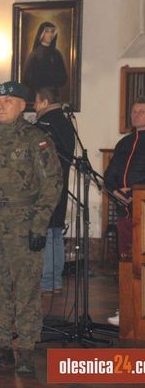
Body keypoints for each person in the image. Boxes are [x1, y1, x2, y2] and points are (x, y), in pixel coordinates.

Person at [0, 81, 62, 374]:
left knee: (27, 291)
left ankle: (27, 350)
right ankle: (1, 347)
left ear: (22, 106)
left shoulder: (36, 140)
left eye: (8, 100)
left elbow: (51, 185)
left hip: (24, 226)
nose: (0, 105)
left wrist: (40, 225)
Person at [104, 96, 145, 326]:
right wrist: (114, 190)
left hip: (144, 211)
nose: (136, 115)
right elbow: (109, 175)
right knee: (125, 260)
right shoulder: (124, 143)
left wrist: (137, 191)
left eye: (141, 111)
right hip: (124, 210)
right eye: (134, 111)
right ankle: (126, 308)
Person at [33, 87, 75, 294]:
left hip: (44, 189)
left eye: (36, 101)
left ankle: (47, 281)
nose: (34, 106)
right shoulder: (66, 123)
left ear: (44, 103)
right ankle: (55, 280)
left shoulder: (43, 125)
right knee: (56, 233)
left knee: (48, 234)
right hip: (61, 185)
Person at [23, 22, 67, 92]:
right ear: (42, 34)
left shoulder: (57, 53)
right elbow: (28, 78)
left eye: (52, 32)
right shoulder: (35, 54)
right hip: (39, 94)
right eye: (47, 32)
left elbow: (63, 77)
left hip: (53, 94)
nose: (50, 35)